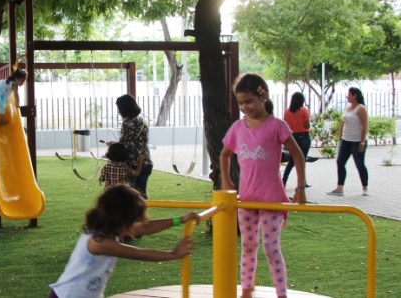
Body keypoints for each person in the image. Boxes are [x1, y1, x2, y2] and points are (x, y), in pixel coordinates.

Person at [219, 74, 307, 298]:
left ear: (263, 96)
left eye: (248, 101)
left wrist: (300, 188)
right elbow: (225, 154)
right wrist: (227, 180)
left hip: (271, 198)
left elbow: (297, 155)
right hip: (247, 198)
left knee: (270, 247)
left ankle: (281, 293)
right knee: (248, 245)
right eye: (240, 102)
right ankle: (246, 290)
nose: (244, 107)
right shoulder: (238, 128)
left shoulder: (276, 126)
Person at [48, 185, 201, 298]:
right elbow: (139, 254)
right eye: (131, 221)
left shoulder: (107, 231)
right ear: (120, 219)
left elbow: (145, 227)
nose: (133, 225)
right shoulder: (99, 242)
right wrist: (174, 254)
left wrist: (180, 219)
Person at [106, 94, 152, 199]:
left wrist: (114, 145)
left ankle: (132, 215)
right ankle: (142, 214)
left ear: (125, 108)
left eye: (119, 108)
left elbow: (125, 145)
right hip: (146, 160)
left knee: (131, 196)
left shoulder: (128, 122)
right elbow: (133, 141)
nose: (118, 111)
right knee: (142, 194)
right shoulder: (142, 120)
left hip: (132, 163)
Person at [328, 87, 369, 196]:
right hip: (346, 140)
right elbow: (343, 123)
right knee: (340, 162)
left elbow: (365, 125)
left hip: (357, 141)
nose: (347, 96)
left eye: (349, 94)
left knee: (359, 164)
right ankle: (339, 188)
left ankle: (365, 187)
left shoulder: (361, 108)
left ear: (355, 95)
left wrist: (362, 142)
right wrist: (340, 136)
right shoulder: (347, 108)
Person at [282, 92, 312, 188]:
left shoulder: (287, 112)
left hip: (293, 137)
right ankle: (301, 182)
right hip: (304, 137)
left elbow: (285, 125)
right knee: (302, 160)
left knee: (291, 161)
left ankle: (284, 181)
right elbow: (307, 125)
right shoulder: (304, 111)